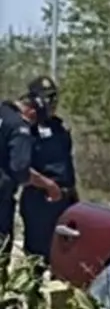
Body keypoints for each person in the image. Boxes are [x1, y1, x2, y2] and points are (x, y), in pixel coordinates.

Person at [0, 77, 62, 274]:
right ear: (33, 110)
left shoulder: (3, 114)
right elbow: (20, 170)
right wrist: (49, 185)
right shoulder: (20, 128)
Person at [19, 76, 77, 266]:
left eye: (54, 98)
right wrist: (48, 185)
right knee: (37, 260)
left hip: (65, 200)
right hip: (40, 200)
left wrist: (72, 194)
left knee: (63, 259)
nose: (51, 103)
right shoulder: (25, 129)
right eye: (46, 98)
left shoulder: (59, 128)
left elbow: (66, 164)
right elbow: (21, 168)